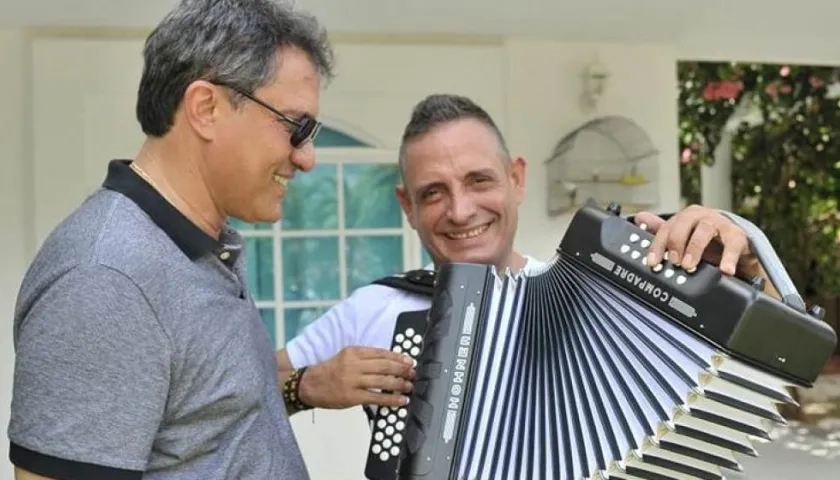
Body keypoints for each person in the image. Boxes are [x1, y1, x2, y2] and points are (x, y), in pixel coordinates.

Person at [275, 93, 776, 419]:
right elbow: (244, 392)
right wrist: (305, 386)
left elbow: (772, 368)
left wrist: (747, 269)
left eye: (479, 180)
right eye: (432, 193)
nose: (460, 210)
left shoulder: (607, 302)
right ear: (407, 206)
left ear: (516, 178)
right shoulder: (376, 308)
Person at [7, 1, 333, 479]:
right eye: (296, 127)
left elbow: (204, 423)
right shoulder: (107, 279)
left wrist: (304, 387)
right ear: (206, 108)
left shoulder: (202, 247)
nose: (307, 158)